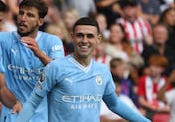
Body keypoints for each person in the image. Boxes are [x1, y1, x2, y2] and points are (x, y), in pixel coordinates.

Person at [16, 17, 150, 122]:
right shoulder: (55, 67)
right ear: (72, 37)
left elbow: (114, 104)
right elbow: (32, 103)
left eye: (90, 36)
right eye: (80, 35)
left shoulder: (102, 71)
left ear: (98, 39)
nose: (84, 40)